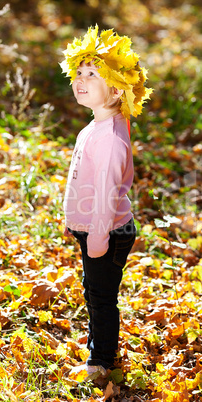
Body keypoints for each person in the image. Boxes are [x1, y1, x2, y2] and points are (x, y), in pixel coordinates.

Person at [60, 25, 153, 379]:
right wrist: (72, 218)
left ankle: (101, 363)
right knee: (93, 292)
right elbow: (81, 177)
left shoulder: (111, 138)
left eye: (92, 74)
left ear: (115, 90)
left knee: (101, 297)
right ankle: (96, 353)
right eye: (78, 73)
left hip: (108, 232)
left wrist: (97, 237)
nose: (80, 80)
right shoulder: (94, 126)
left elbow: (106, 195)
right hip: (93, 229)